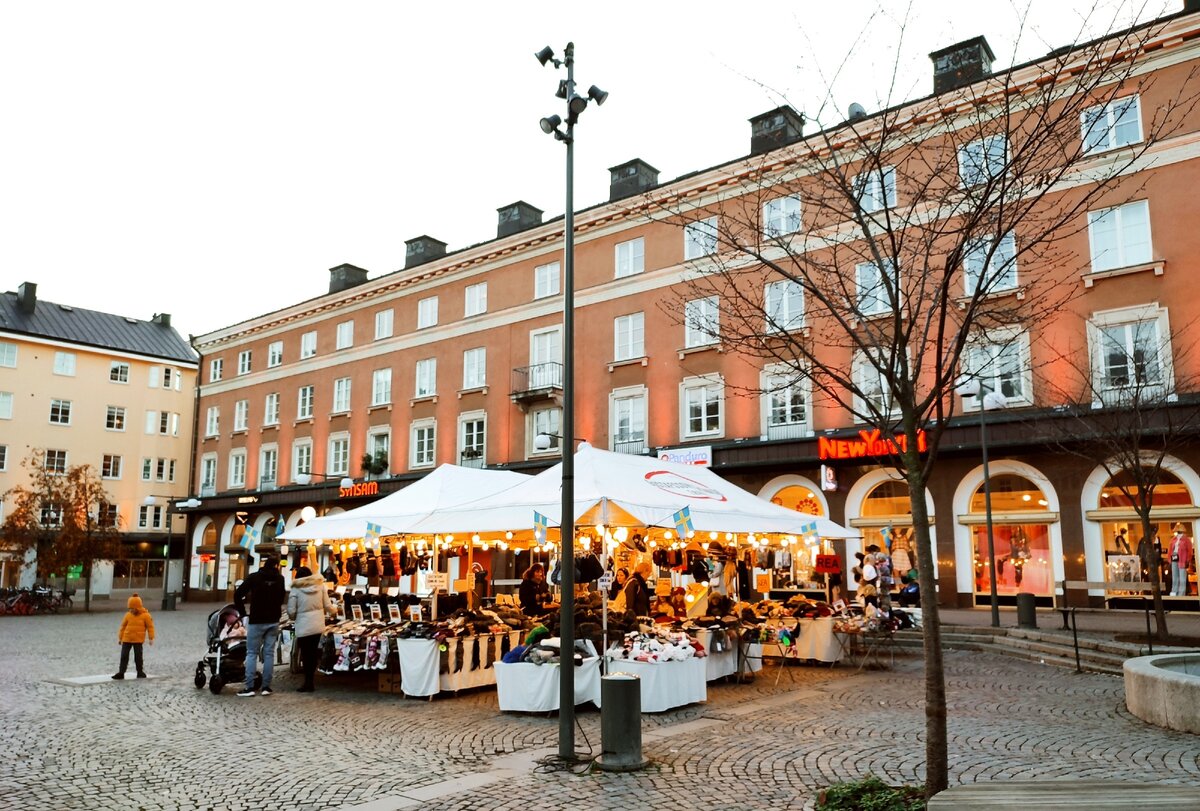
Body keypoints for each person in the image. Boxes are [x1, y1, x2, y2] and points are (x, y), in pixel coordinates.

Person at [234, 555, 286, 697]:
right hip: (273, 620)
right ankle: (266, 687)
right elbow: (282, 597)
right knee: (269, 654)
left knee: (252, 653)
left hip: (256, 620)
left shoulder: (254, 577)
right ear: (277, 566)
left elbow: (238, 594)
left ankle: (250, 687)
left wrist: (243, 613)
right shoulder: (280, 579)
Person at [287, 565, 334, 693]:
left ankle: (308, 682)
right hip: (317, 625)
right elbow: (328, 605)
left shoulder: (295, 590)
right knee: (313, 653)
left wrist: (295, 616)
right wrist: (335, 611)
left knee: (305, 654)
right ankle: (311, 680)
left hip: (303, 626)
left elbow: (291, 611)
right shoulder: (320, 586)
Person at [112, 594, 155, 679]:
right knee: (124, 656)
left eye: (132, 608)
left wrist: (151, 638)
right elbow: (123, 627)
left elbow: (150, 627)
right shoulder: (127, 615)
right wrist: (120, 638)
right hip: (127, 639)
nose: (130, 610)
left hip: (138, 640)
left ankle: (140, 672)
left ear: (137, 608)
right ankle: (121, 672)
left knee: (138, 657)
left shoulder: (146, 616)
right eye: (129, 608)